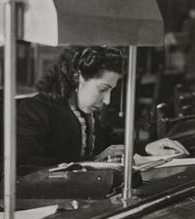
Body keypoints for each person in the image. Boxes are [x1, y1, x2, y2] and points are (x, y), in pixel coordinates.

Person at [16, 46, 188, 176]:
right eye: (102, 89)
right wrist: (95, 162)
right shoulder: (35, 110)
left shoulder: (83, 112)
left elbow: (109, 142)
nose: (107, 100)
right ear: (77, 78)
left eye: (111, 90)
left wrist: (146, 148)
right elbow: (25, 166)